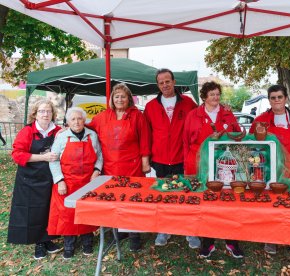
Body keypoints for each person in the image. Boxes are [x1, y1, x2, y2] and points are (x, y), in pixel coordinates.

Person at [249, 84, 290, 257]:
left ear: (285, 98)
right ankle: (272, 238)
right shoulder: (260, 120)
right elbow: (251, 146)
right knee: (271, 205)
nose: (276, 100)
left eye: (279, 97)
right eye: (273, 98)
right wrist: (256, 169)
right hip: (271, 170)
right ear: (269, 100)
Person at [183, 81, 244, 259]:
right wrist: (189, 167)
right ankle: (208, 242)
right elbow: (186, 142)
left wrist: (230, 137)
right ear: (204, 97)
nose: (215, 97)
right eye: (212, 94)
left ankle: (231, 242)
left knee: (228, 203)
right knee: (205, 205)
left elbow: (237, 134)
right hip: (201, 166)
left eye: (217, 94)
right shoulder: (193, 115)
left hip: (224, 166)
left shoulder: (227, 113)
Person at [88, 83, 151, 252]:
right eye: (117, 97)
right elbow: (87, 128)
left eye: (123, 96)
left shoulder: (137, 116)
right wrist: (66, 129)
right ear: (112, 99)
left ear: (129, 98)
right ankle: (119, 229)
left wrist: (145, 161)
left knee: (133, 200)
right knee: (115, 199)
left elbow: (145, 139)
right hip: (110, 167)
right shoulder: (103, 116)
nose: (120, 99)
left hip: (132, 166)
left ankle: (134, 235)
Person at [144, 68, 200, 249]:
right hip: (160, 160)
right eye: (161, 83)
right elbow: (146, 133)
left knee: (185, 195)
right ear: (158, 85)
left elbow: (200, 124)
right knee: (163, 196)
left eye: (167, 81)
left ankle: (189, 231)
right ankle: (164, 229)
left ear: (174, 82)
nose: (165, 85)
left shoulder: (188, 103)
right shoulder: (151, 106)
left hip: (182, 158)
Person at [7, 99, 62, 260]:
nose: (46, 114)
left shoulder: (57, 130)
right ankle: (38, 243)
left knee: (48, 209)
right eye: (42, 111)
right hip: (30, 179)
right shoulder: (27, 131)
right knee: (33, 211)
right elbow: (17, 155)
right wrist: (43, 157)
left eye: (48, 111)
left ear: (53, 114)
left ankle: (47, 239)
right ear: (35, 114)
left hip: (50, 177)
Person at [48, 107, 103, 259]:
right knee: (67, 214)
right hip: (67, 182)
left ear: (84, 120)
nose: (77, 122)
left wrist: (97, 171)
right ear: (68, 122)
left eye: (80, 119)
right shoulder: (61, 137)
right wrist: (59, 180)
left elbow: (99, 156)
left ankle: (87, 243)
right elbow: (53, 161)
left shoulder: (92, 135)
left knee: (87, 212)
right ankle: (69, 245)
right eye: (73, 119)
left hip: (87, 182)